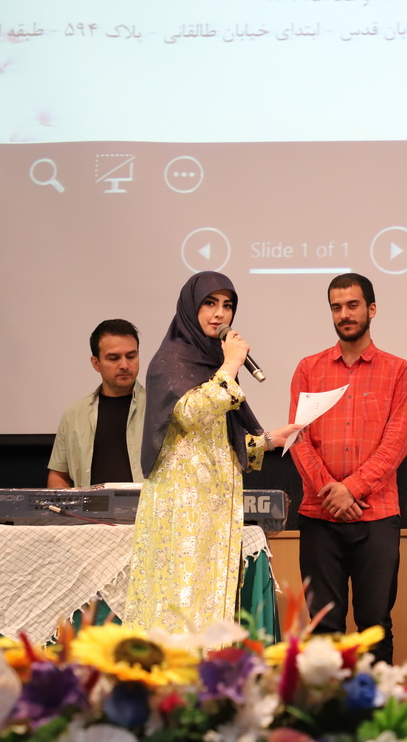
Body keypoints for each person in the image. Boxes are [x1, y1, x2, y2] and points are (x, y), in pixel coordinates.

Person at [124, 271, 299, 632]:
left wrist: (269, 440)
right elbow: (190, 413)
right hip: (181, 511)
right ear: (191, 308)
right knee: (180, 609)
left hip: (215, 512)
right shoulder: (169, 361)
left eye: (227, 305)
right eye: (209, 303)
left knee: (210, 610)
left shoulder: (212, 365)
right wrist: (231, 364)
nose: (220, 314)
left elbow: (220, 442)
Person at [289, 272, 407, 664]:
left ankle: (376, 706)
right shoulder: (308, 369)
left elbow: (396, 443)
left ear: (371, 309)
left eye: (353, 305)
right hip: (319, 516)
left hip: (376, 516)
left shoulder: (398, 370)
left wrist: (352, 489)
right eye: (337, 307)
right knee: (324, 630)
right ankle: (329, 705)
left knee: (374, 627)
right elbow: (298, 439)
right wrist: (332, 493)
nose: (344, 314)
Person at [47, 319, 145, 488]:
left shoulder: (159, 409)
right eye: (113, 358)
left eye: (131, 356)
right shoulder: (74, 415)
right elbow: (58, 475)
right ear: (96, 363)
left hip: (146, 505)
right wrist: (68, 505)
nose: (124, 365)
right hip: (90, 506)